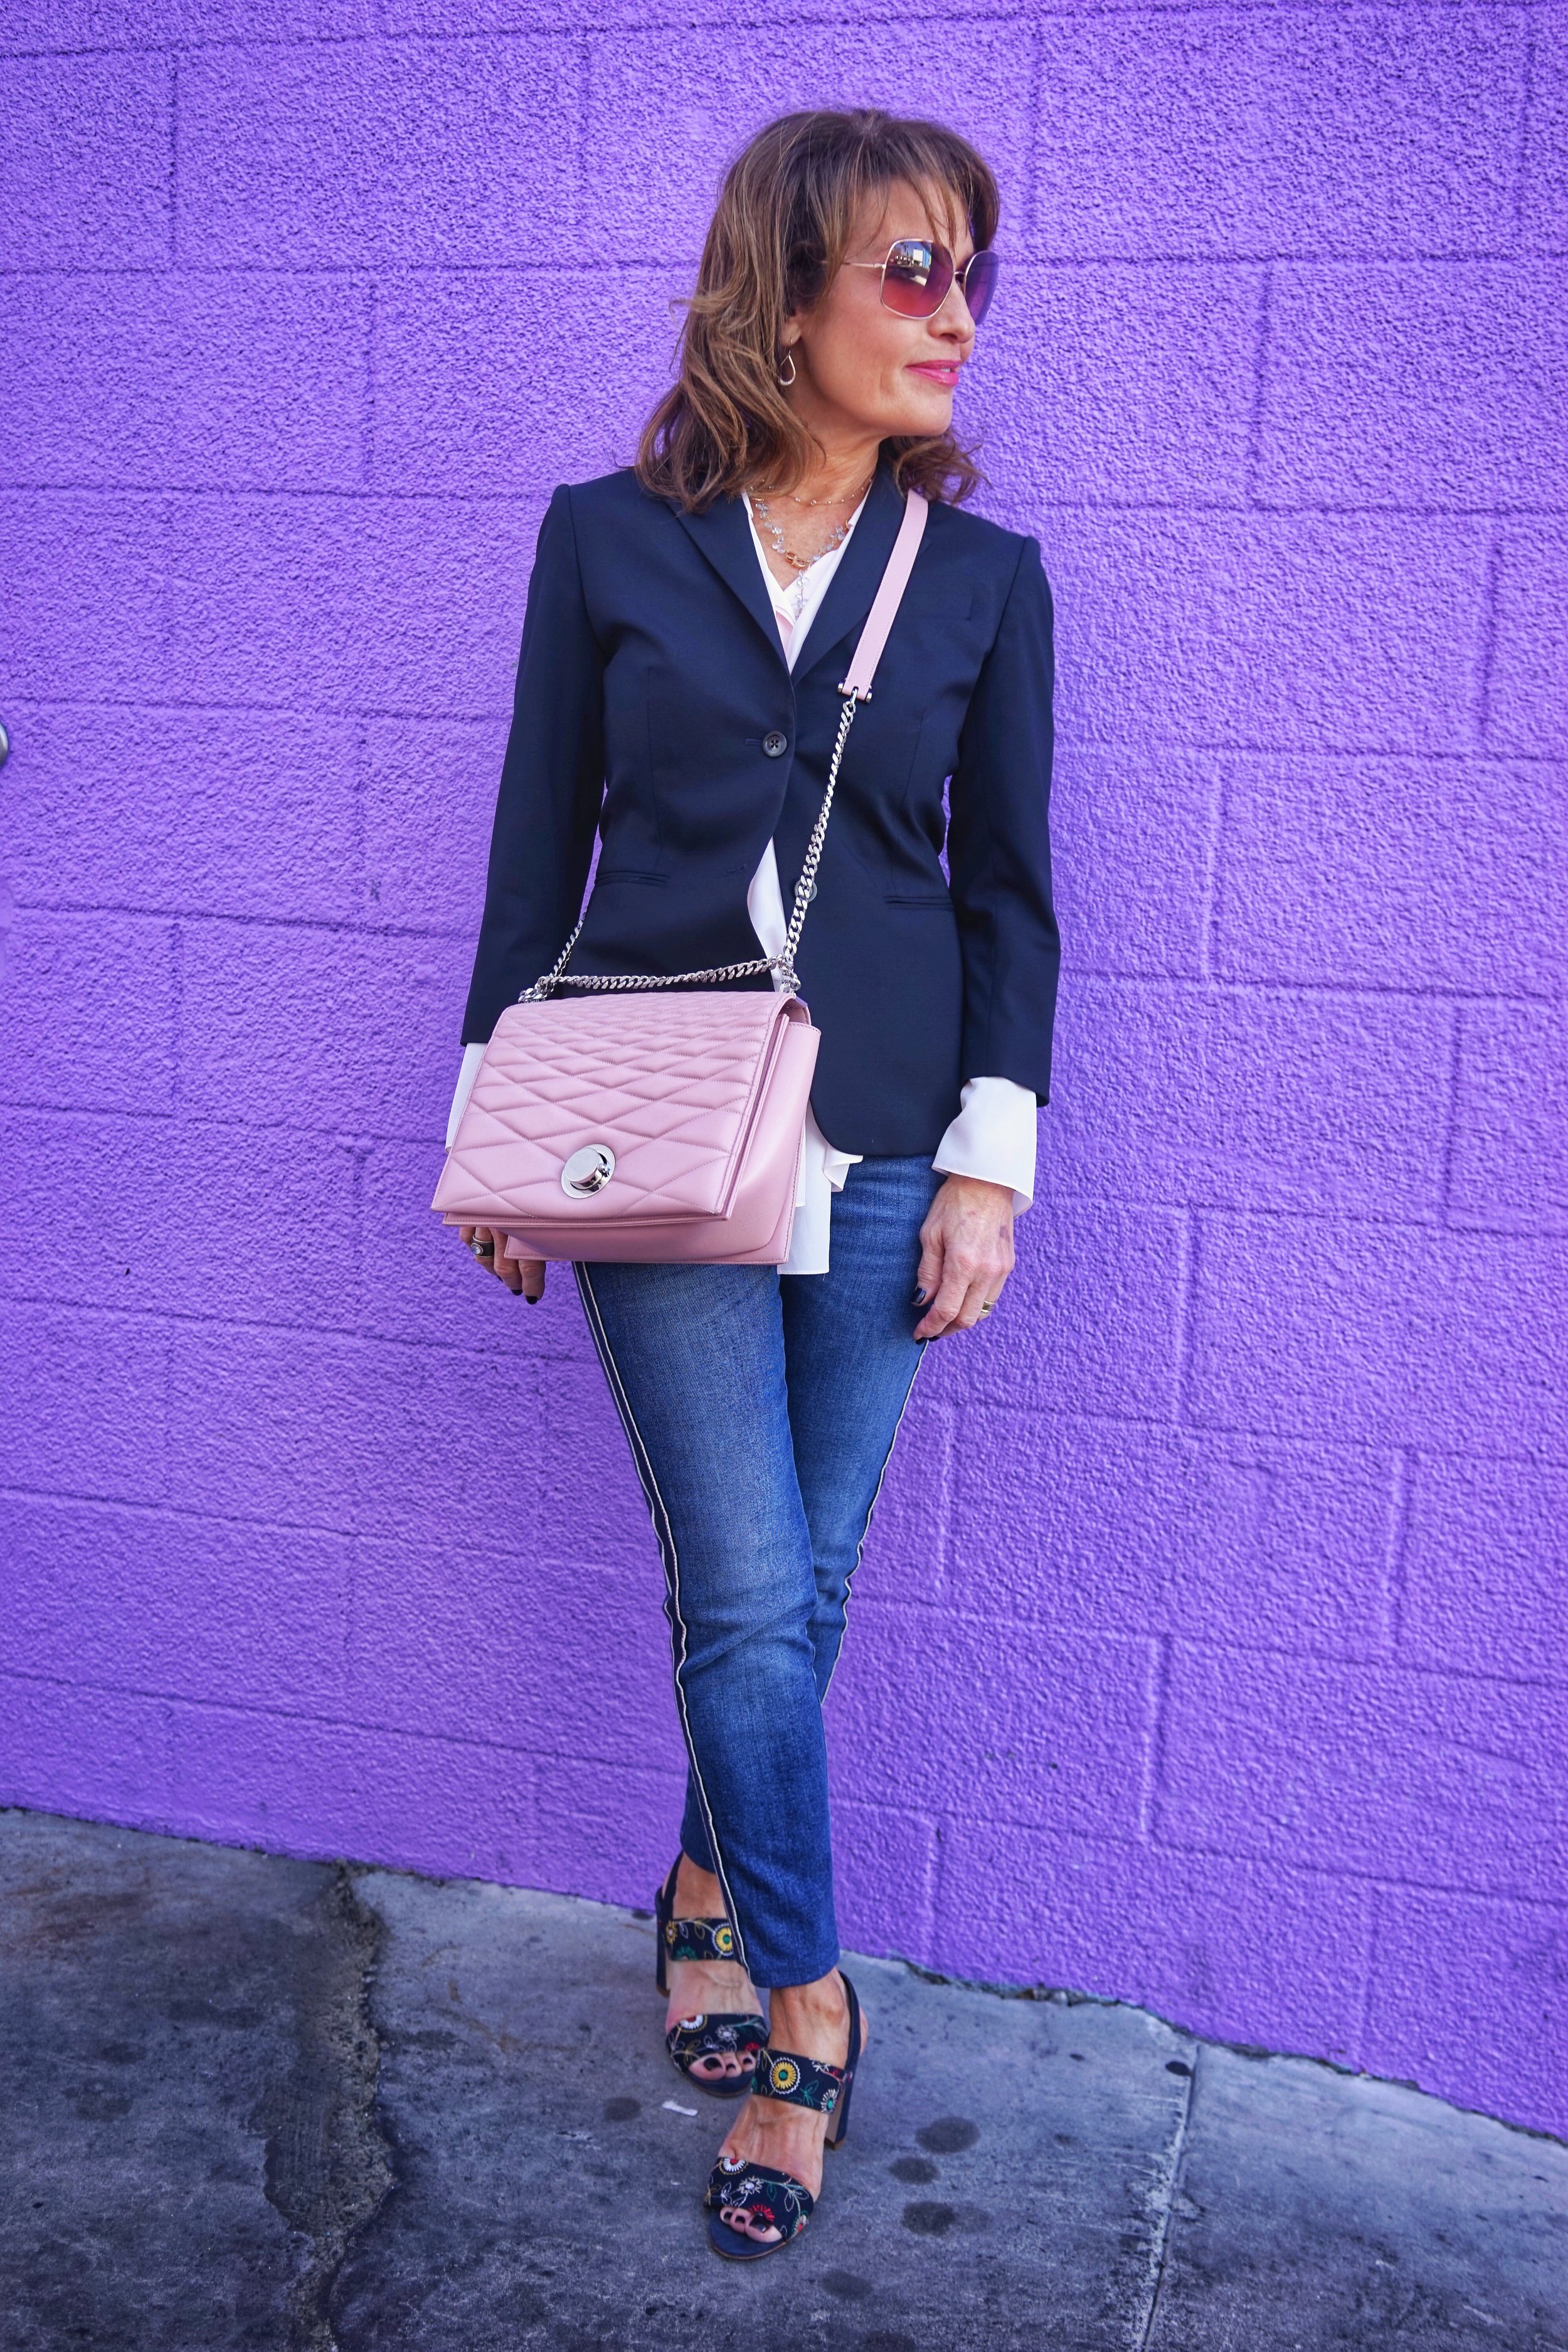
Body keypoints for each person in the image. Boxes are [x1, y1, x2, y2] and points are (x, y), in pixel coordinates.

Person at [446, 107, 1059, 2260]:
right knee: (741, 1579)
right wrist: (492, 1126)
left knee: (801, 1587)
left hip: (891, 1152)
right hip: (646, 1126)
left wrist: (991, 1169)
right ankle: (811, 2000)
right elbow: (540, 845)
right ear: (780, 291)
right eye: (910, 270)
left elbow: (1007, 897)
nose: (954, 312)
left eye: (973, 271)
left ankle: (707, 1877)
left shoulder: (979, 577)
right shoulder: (608, 542)